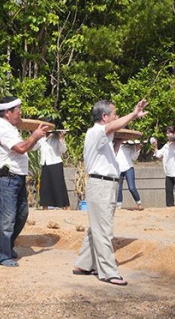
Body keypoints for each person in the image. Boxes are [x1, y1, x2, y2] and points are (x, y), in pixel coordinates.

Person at [72, 98, 148, 286]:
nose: (117, 117)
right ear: (105, 117)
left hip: (105, 184)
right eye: (114, 114)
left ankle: (83, 264)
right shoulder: (96, 131)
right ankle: (107, 271)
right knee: (104, 229)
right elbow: (114, 127)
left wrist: (117, 143)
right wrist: (134, 113)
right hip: (101, 185)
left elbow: (107, 157)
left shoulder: (101, 136)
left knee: (96, 227)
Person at [0, 96, 49, 267]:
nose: (21, 113)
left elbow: (25, 147)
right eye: (18, 110)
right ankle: (2, 255)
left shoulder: (11, 128)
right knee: (6, 218)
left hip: (16, 177)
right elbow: (22, 148)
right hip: (6, 178)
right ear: (8, 112)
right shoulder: (2, 128)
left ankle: (7, 247)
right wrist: (35, 136)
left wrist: (37, 138)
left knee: (21, 214)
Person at [38, 130, 70, 210]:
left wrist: (61, 138)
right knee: (45, 187)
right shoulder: (41, 138)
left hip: (55, 163)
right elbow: (34, 147)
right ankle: (45, 207)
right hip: (45, 164)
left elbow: (63, 150)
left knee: (59, 186)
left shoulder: (56, 137)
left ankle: (64, 206)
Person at [116, 140, 143, 210]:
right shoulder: (115, 145)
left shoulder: (129, 146)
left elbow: (134, 158)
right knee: (118, 188)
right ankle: (119, 205)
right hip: (118, 169)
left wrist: (137, 149)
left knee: (132, 187)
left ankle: (139, 203)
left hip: (128, 168)